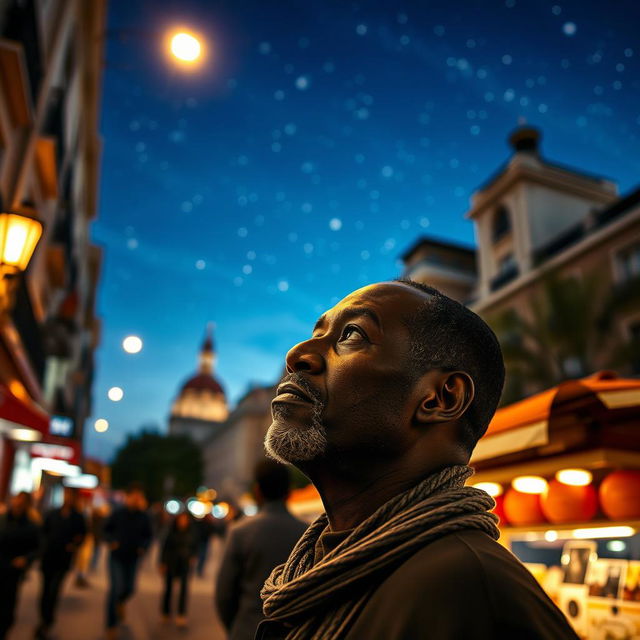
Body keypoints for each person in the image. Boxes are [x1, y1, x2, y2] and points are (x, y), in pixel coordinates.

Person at [257, 280, 580, 639]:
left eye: (352, 334)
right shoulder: (321, 566)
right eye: (316, 333)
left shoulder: (473, 593)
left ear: (440, 398)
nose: (297, 353)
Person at [216, 459, 307, 640]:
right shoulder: (306, 533)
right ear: (289, 492)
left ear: (257, 491)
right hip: (292, 634)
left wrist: (235, 628)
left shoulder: (240, 532)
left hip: (247, 630)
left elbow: (224, 595)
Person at [35, 487, 87, 639]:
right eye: (65, 494)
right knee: (45, 590)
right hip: (48, 557)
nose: (67, 498)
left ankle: (47, 621)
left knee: (54, 590)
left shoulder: (78, 517)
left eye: (70, 495)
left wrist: (74, 545)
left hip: (64, 559)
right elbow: (43, 531)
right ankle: (44, 618)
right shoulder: (53, 513)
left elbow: (82, 536)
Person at [103, 485, 152, 640]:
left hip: (133, 558)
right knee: (116, 588)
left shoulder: (143, 516)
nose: (136, 499)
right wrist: (112, 542)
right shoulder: (118, 513)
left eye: (139, 496)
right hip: (116, 556)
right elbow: (106, 530)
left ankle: (121, 603)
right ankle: (111, 625)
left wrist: (143, 548)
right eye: (134, 496)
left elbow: (149, 535)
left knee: (129, 589)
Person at [0, 491, 40, 640]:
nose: (18, 504)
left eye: (23, 501)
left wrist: (26, 559)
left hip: (13, 572)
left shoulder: (31, 526)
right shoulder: (2, 519)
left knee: (7, 608)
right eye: (18, 500)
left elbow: (37, 548)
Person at [159, 512, 197, 627]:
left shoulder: (192, 533)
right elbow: (165, 548)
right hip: (172, 562)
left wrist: (193, 557)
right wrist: (162, 563)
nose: (183, 522)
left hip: (185, 563)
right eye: (181, 519)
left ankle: (181, 614)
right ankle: (165, 613)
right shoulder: (171, 533)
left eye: (185, 520)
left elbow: (195, 547)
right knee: (168, 588)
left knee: (184, 590)